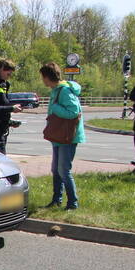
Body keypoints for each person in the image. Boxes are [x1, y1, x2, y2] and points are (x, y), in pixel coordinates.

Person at [40, 63, 85, 210]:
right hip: (58, 136)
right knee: (56, 170)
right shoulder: (56, 90)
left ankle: (72, 203)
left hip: (67, 137)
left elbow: (74, 112)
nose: (42, 80)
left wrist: (56, 108)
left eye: (43, 77)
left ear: (47, 77)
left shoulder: (64, 91)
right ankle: (56, 199)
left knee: (64, 170)